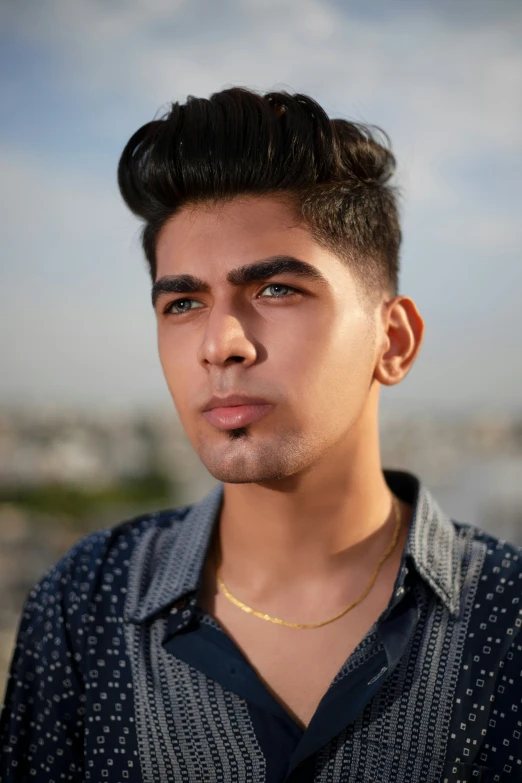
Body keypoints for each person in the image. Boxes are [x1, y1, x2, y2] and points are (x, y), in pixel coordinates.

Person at [1, 86, 521, 783]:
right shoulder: (84, 606)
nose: (220, 343)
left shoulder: (506, 620)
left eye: (277, 289)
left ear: (392, 340)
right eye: (183, 302)